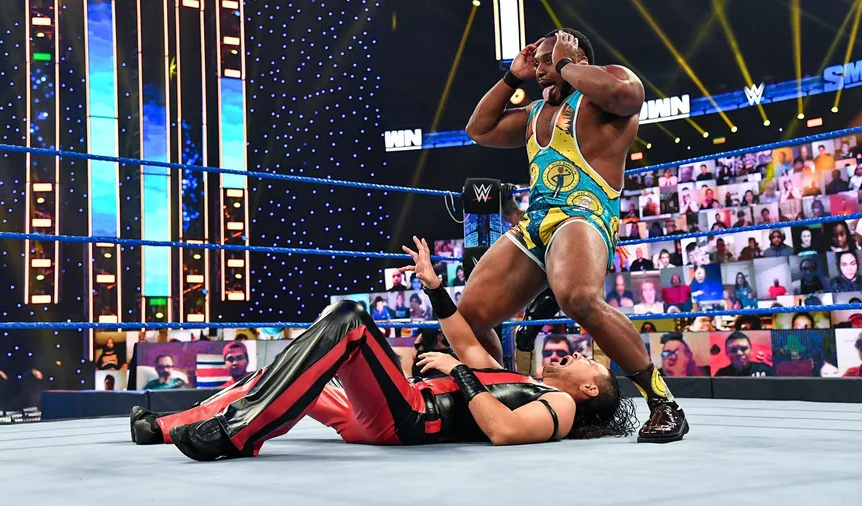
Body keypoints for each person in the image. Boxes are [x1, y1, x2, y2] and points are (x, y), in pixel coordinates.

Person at [128, 237, 639, 459]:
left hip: (410, 416)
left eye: (583, 362)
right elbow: (465, 340)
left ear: (590, 389)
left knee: (349, 319)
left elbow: (503, 431)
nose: (573, 353)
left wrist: (458, 371)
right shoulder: (520, 381)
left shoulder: (562, 406)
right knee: (288, 372)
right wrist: (434, 288)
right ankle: (166, 427)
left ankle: (239, 434)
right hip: (387, 406)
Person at [460, 28, 685, 442]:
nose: (540, 70)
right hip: (537, 221)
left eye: (548, 60)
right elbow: (479, 129)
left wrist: (566, 64)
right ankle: (504, 396)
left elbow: (626, 96)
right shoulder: (533, 113)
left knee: (578, 297)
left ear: (577, 58)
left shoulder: (607, 89)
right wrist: (511, 77)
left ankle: (664, 403)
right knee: (468, 318)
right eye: (538, 63)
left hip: (584, 212)